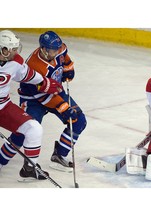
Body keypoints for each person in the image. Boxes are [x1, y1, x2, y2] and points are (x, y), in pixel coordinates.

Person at [10, 30, 87, 172]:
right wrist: (64, 108)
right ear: (43, 49)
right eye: (53, 50)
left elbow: (64, 58)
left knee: (79, 121)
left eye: (58, 49)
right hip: (33, 99)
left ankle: (59, 156)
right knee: (24, 132)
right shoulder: (34, 65)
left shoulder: (59, 49)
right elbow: (43, 97)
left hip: (55, 92)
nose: (56, 52)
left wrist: (68, 69)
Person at [0, 30, 63, 180]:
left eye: (16, 49)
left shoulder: (15, 62)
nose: (16, 52)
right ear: (3, 49)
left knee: (34, 129)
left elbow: (27, 74)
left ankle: (30, 168)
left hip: (3, 106)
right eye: (12, 49)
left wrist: (44, 83)